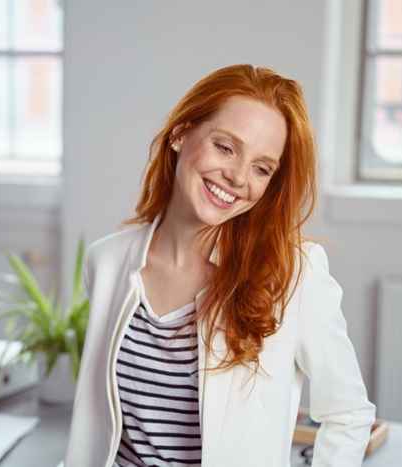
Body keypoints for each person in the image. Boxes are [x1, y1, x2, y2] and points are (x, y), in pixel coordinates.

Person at [64, 64, 376, 467]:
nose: (237, 177)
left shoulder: (294, 274)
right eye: (225, 147)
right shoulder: (106, 262)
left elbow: (349, 414)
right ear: (180, 133)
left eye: (262, 168)